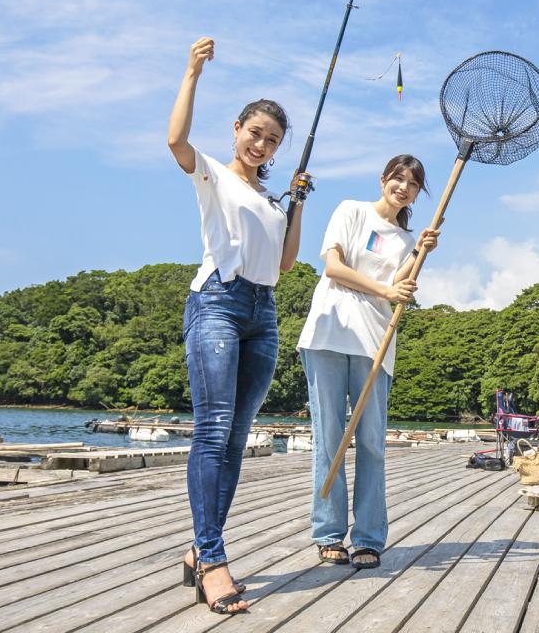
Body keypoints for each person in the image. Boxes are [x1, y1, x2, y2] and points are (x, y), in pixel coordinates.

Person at [168, 35, 307, 614]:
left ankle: (201, 550)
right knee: (213, 428)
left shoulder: (272, 202)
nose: (262, 144)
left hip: (263, 311)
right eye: (255, 133)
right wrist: (191, 72)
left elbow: (286, 262)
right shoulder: (213, 177)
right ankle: (213, 558)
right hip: (218, 303)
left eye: (272, 140)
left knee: (234, 440)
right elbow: (175, 140)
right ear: (237, 129)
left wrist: (296, 204)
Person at [297, 155, 439, 570]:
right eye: (398, 179)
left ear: (416, 193)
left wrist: (419, 253)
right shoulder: (350, 211)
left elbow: (398, 288)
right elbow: (334, 267)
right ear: (383, 180)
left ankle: (369, 538)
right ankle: (328, 534)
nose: (403, 188)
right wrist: (385, 289)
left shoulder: (404, 239)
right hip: (327, 334)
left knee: (373, 443)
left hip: (375, 343)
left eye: (412, 184)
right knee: (329, 438)